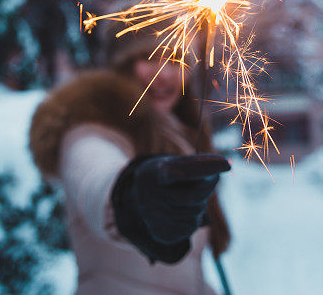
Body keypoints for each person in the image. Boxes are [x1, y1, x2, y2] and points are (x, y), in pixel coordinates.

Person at [29, 28, 231, 295]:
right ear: (120, 67)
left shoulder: (180, 135)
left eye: (175, 60)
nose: (165, 73)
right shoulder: (90, 127)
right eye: (149, 57)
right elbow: (94, 175)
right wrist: (131, 195)